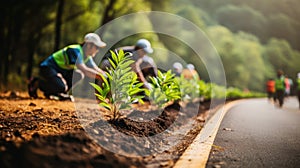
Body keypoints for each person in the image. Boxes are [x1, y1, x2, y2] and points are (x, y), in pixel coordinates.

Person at [28, 33, 107, 101]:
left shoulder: (87, 56)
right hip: (49, 67)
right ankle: (37, 83)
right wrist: (101, 77)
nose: (97, 50)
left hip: (61, 70)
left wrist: (107, 75)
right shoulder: (75, 50)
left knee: (79, 74)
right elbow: (85, 70)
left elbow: (96, 69)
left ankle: (59, 92)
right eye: (96, 47)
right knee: (61, 86)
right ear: (89, 45)